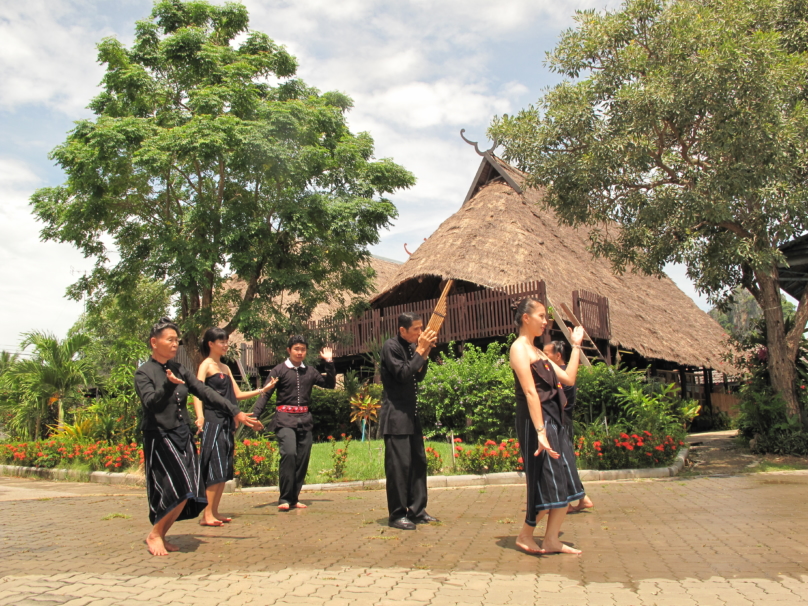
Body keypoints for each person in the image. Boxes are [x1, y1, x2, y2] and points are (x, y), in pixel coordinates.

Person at [134, 318, 262, 556]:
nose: (175, 344)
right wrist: (169, 386)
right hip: (160, 436)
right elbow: (151, 403)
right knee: (176, 487)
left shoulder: (180, 369)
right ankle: (155, 534)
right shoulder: (144, 373)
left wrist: (236, 411)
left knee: (190, 489)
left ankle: (160, 534)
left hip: (182, 434)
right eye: (169, 340)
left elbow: (205, 392)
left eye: (176, 340)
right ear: (154, 342)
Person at [510, 299, 585, 555]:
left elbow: (568, 377)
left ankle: (551, 539)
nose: (545, 321)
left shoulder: (539, 352)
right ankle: (525, 534)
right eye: (541, 316)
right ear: (525, 318)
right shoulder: (519, 349)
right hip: (536, 424)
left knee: (564, 478)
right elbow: (531, 392)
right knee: (545, 479)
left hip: (554, 422)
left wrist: (575, 346)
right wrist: (541, 432)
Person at [193, 327, 278, 527]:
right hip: (213, 421)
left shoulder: (225, 367)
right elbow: (198, 393)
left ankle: (214, 511)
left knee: (223, 468)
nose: (225, 345)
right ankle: (206, 515)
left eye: (226, 341)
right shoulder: (206, 365)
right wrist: (200, 416)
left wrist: (262, 390)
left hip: (227, 422)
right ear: (210, 344)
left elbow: (237, 394)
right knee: (213, 468)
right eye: (221, 342)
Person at [252, 335, 336, 510]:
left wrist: (329, 362)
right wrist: (254, 416)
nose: (299, 352)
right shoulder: (278, 370)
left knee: (302, 458)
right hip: (284, 420)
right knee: (289, 453)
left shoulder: (310, 371)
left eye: (303, 349)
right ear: (289, 350)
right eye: (296, 349)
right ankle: (284, 498)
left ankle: (294, 498)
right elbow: (266, 394)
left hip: (305, 420)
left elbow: (330, 384)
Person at [379, 312, 438, 530]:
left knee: (418, 463)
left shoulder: (413, 347)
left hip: (411, 415)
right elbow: (402, 374)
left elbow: (418, 375)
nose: (420, 333)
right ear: (402, 330)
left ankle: (417, 510)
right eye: (416, 329)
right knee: (399, 467)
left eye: (421, 328)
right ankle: (397, 514)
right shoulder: (391, 347)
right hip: (395, 416)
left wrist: (425, 350)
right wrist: (421, 350)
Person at [543, 340, 595, 513]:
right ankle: (579, 498)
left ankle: (574, 499)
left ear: (558, 356)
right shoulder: (561, 373)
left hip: (562, 422)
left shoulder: (562, 375)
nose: (544, 357)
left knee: (564, 460)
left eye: (547, 354)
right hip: (562, 421)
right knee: (565, 460)